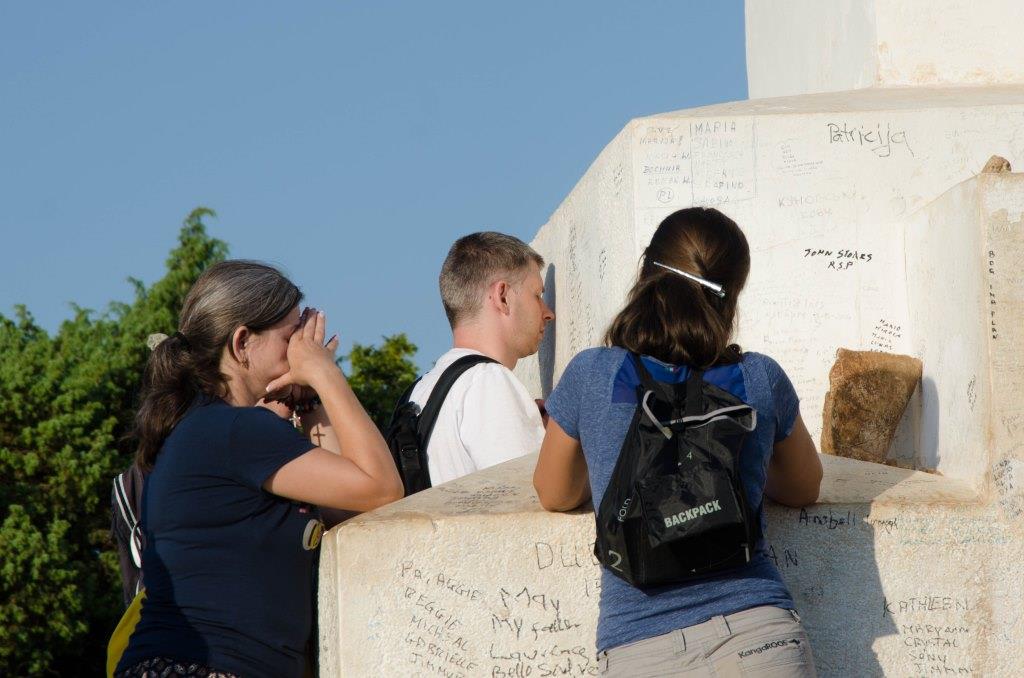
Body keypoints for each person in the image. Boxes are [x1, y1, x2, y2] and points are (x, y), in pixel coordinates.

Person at [533, 208, 823, 678]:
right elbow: (803, 487)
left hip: (640, 646)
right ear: (734, 293)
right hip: (761, 638)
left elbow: (554, 492)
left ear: (646, 270)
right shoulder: (759, 378)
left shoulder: (593, 375)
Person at [114, 260, 403, 678]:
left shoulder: (217, 428)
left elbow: (356, 510)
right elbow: (383, 488)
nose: (302, 348)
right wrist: (325, 372)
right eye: (291, 337)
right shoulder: (234, 430)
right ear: (242, 342)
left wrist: (308, 401)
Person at [408, 231, 555, 485]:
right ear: (503, 296)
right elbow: (528, 501)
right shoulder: (488, 382)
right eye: (537, 295)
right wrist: (562, 440)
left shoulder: (421, 390)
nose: (548, 313)